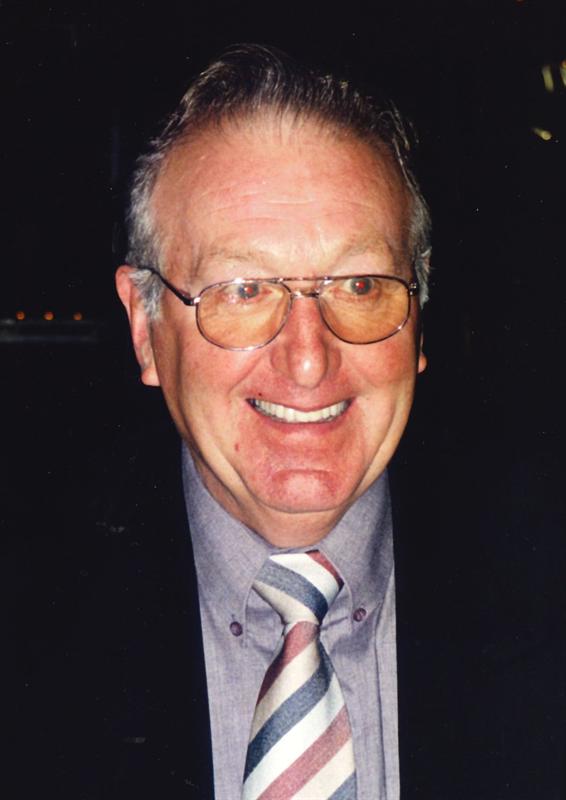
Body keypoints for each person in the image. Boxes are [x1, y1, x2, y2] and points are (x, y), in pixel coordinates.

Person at [28, 44, 564, 800]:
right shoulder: (32, 619)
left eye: (360, 284)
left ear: (418, 316)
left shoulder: (541, 585)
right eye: (243, 290)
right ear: (146, 328)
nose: (309, 360)